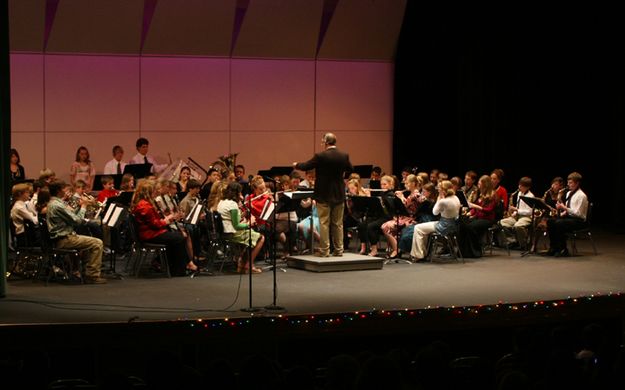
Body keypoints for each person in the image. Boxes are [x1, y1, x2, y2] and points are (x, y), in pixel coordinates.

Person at [294, 132, 353, 257]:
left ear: (325, 142)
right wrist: (341, 176)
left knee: (324, 222)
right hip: (338, 193)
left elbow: (306, 166)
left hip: (323, 193)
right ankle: (339, 250)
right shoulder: (344, 155)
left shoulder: (320, 156)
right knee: (338, 223)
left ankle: (324, 250)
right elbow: (350, 170)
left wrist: (296, 165)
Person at [131, 179, 198, 275]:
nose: (156, 192)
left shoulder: (145, 203)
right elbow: (155, 225)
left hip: (151, 232)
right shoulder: (144, 206)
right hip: (150, 235)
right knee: (178, 237)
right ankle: (178, 270)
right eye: (154, 190)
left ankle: (177, 267)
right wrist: (168, 220)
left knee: (177, 236)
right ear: (149, 192)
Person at [46, 180, 106, 283]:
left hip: (65, 237)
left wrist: (79, 205)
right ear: (59, 191)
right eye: (65, 189)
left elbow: (72, 216)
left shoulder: (55, 203)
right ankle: (92, 276)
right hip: (64, 239)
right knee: (97, 243)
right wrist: (84, 206)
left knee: (90, 242)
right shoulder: (57, 205)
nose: (67, 192)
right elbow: (78, 221)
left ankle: (86, 272)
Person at [217, 182, 264, 273]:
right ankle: (248, 265)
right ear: (237, 193)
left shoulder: (222, 202)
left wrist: (242, 215)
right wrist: (249, 223)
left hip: (224, 231)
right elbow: (237, 225)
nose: (241, 194)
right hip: (232, 233)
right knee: (261, 238)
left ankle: (241, 265)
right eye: (240, 192)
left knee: (251, 236)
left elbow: (229, 218)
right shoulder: (233, 205)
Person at [410, 180, 461, 261]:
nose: (438, 189)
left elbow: (435, 212)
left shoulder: (444, 201)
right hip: (453, 225)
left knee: (418, 228)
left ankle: (419, 255)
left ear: (443, 190)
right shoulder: (456, 197)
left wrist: (439, 199)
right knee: (423, 229)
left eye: (439, 188)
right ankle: (423, 253)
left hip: (443, 226)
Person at [546, 172, 589, 257]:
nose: (568, 185)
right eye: (568, 182)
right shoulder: (569, 193)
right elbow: (570, 209)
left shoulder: (581, 195)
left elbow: (579, 214)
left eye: (570, 183)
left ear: (577, 183)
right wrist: (562, 211)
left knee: (559, 223)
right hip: (570, 218)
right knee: (551, 221)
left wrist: (564, 208)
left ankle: (563, 249)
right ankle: (554, 247)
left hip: (580, 221)